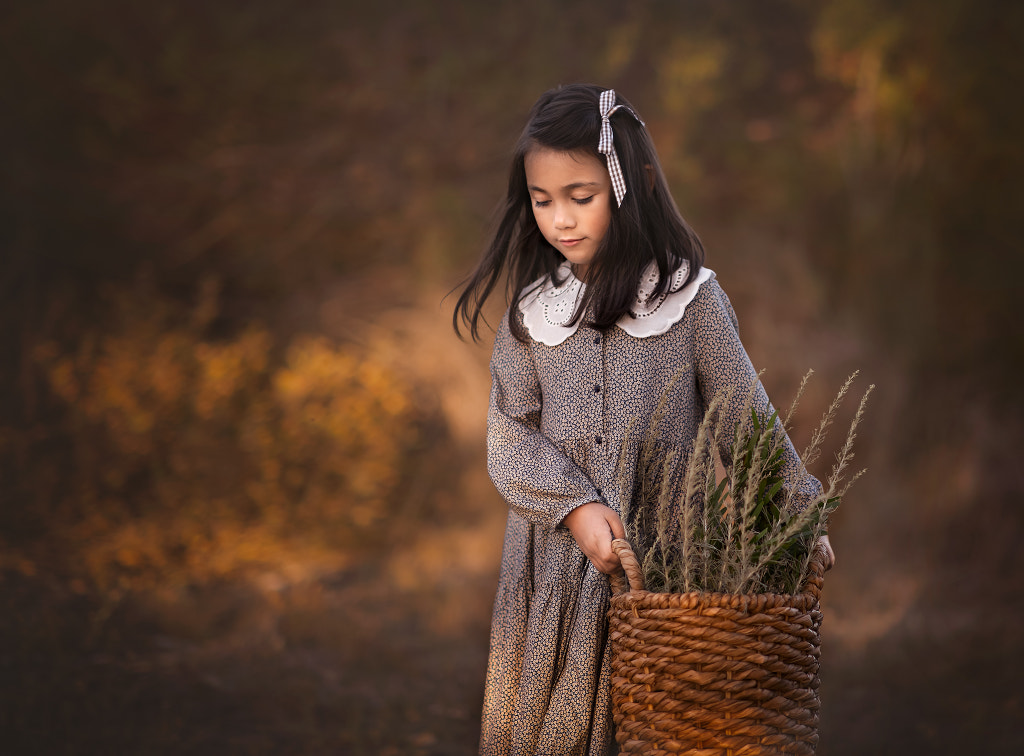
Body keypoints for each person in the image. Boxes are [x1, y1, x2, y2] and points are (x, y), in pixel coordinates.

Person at [453, 84, 835, 756]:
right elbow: (508, 437)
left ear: (634, 185)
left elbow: (744, 422)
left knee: (661, 730)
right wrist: (574, 507)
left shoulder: (690, 301)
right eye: (543, 201)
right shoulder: (532, 314)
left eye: (581, 196)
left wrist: (797, 520)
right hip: (556, 576)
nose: (560, 219)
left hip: (661, 573)